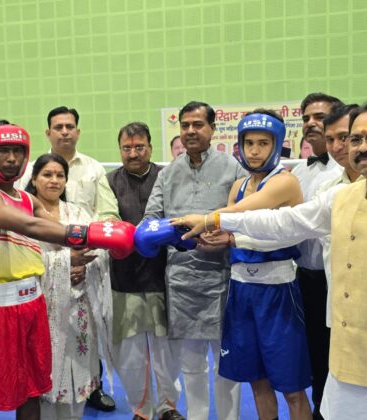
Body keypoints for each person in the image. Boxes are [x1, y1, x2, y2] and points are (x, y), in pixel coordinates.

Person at [173, 101, 367, 420]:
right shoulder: (340, 196)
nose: (362, 147)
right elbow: (284, 222)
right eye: (356, 139)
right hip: (345, 369)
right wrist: (214, 219)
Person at [0, 120, 133, 420]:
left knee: (33, 390)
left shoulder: (27, 199)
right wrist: (92, 234)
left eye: (18, 151)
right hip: (0, 307)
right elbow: (30, 226)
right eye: (3, 151)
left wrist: (108, 238)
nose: (12, 158)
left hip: (35, 301)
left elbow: (57, 229)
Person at [143, 101, 246, 420]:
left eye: (198, 124)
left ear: (212, 129)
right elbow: (150, 219)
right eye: (185, 125)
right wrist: (173, 235)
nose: (190, 131)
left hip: (223, 277)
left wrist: (226, 237)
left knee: (226, 362)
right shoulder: (168, 173)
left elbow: (251, 216)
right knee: (191, 364)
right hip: (182, 280)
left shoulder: (233, 169)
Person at [218, 110, 312, 420]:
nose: (255, 151)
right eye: (249, 143)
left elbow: (235, 222)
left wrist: (206, 222)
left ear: (277, 145)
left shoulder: (285, 182)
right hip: (241, 290)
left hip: (278, 291)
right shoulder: (238, 185)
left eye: (263, 143)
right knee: (257, 380)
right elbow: (228, 232)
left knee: (292, 387)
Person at [20, 106, 115, 410]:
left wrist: (85, 268)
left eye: (60, 175)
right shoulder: (24, 217)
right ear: (34, 179)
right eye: (47, 175)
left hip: (79, 304)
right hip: (42, 305)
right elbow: (23, 256)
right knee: (47, 383)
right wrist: (65, 264)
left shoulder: (78, 213)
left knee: (79, 384)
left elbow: (99, 248)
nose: (54, 181)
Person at [97, 122, 184, 420]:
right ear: (120, 149)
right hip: (124, 277)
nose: (133, 153)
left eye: (139, 147)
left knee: (167, 351)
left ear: (150, 147)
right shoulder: (109, 181)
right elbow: (108, 219)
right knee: (130, 352)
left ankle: (168, 407)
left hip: (165, 276)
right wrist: (129, 236)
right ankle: (141, 409)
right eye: (127, 148)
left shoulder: (167, 176)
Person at [290, 92, 343, 419]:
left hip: (338, 280)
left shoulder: (349, 171)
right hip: (303, 278)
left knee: (338, 355)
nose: (311, 123)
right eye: (306, 118)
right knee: (311, 353)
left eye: (319, 117)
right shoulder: (297, 172)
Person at [316, 104, 361, 328]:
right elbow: (290, 225)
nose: (336, 147)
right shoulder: (327, 191)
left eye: (344, 137)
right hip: (338, 308)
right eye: (330, 139)